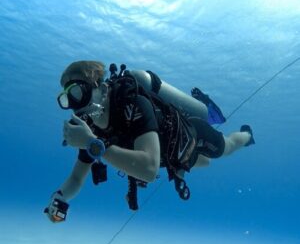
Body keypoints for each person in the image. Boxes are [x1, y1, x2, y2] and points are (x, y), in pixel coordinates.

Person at [44, 60, 255, 223]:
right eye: (67, 99)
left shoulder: (132, 102)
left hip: (192, 135)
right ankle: (204, 108)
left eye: (77, 93)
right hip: (171, 156)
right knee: (203, 163)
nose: (75, 106)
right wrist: (59, 199)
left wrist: (92, 144)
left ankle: (246, 136)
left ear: (103, 88)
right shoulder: (90, 128)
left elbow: (149, 169)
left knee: (225, 148)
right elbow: (76, 178)